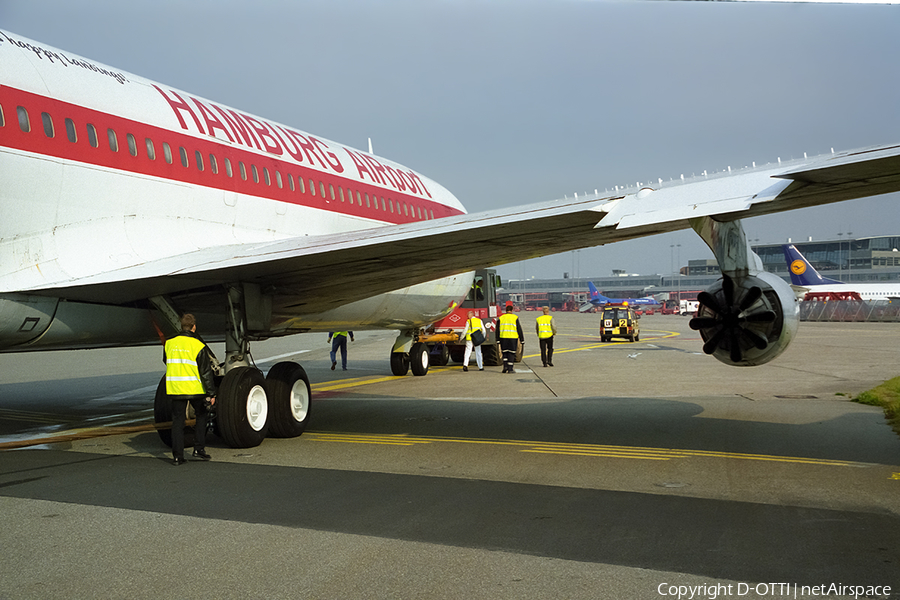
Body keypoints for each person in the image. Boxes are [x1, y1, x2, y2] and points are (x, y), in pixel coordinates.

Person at [163, 313, 217, 466]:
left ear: (182, 327)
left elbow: (166, 361)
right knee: (201, 415)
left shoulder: (169, 343)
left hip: (175, 388)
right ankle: (198, 449)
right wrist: (211, 393)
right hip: (194, 388)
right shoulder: (198, 345)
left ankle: (177, 456)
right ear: (194, 327)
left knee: (177, 422)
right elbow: (206, 372)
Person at [498, 304, 524, 373]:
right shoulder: (515, 317)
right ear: (512, 310)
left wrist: (497, 339)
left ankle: (505, 367)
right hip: (512, 338)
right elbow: (519, 329)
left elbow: (497, 329)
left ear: (506, 310)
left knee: (505, 353)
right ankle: (510, 369)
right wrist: (522, 339)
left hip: (503, 338)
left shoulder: (501, 318)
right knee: (511, 353)